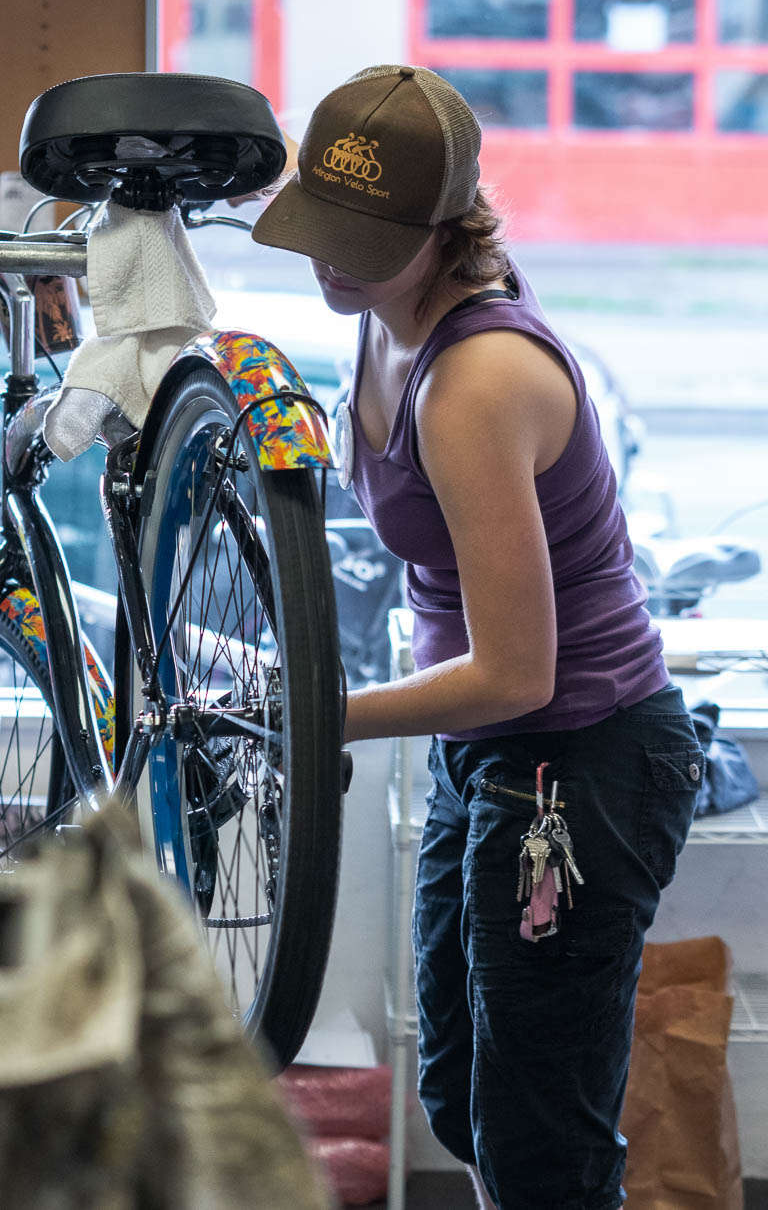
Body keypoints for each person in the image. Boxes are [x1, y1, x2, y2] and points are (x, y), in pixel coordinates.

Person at [251, 65, 704, 1210]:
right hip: (487, 757)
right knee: (459, 1096)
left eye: (361, 243)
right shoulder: (380, 315)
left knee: (538, 1140)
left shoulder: (477, 379)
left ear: (443, 227)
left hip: (579, 762)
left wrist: (315, 716)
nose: (329, 262)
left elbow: (515, 670)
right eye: (319, 229)